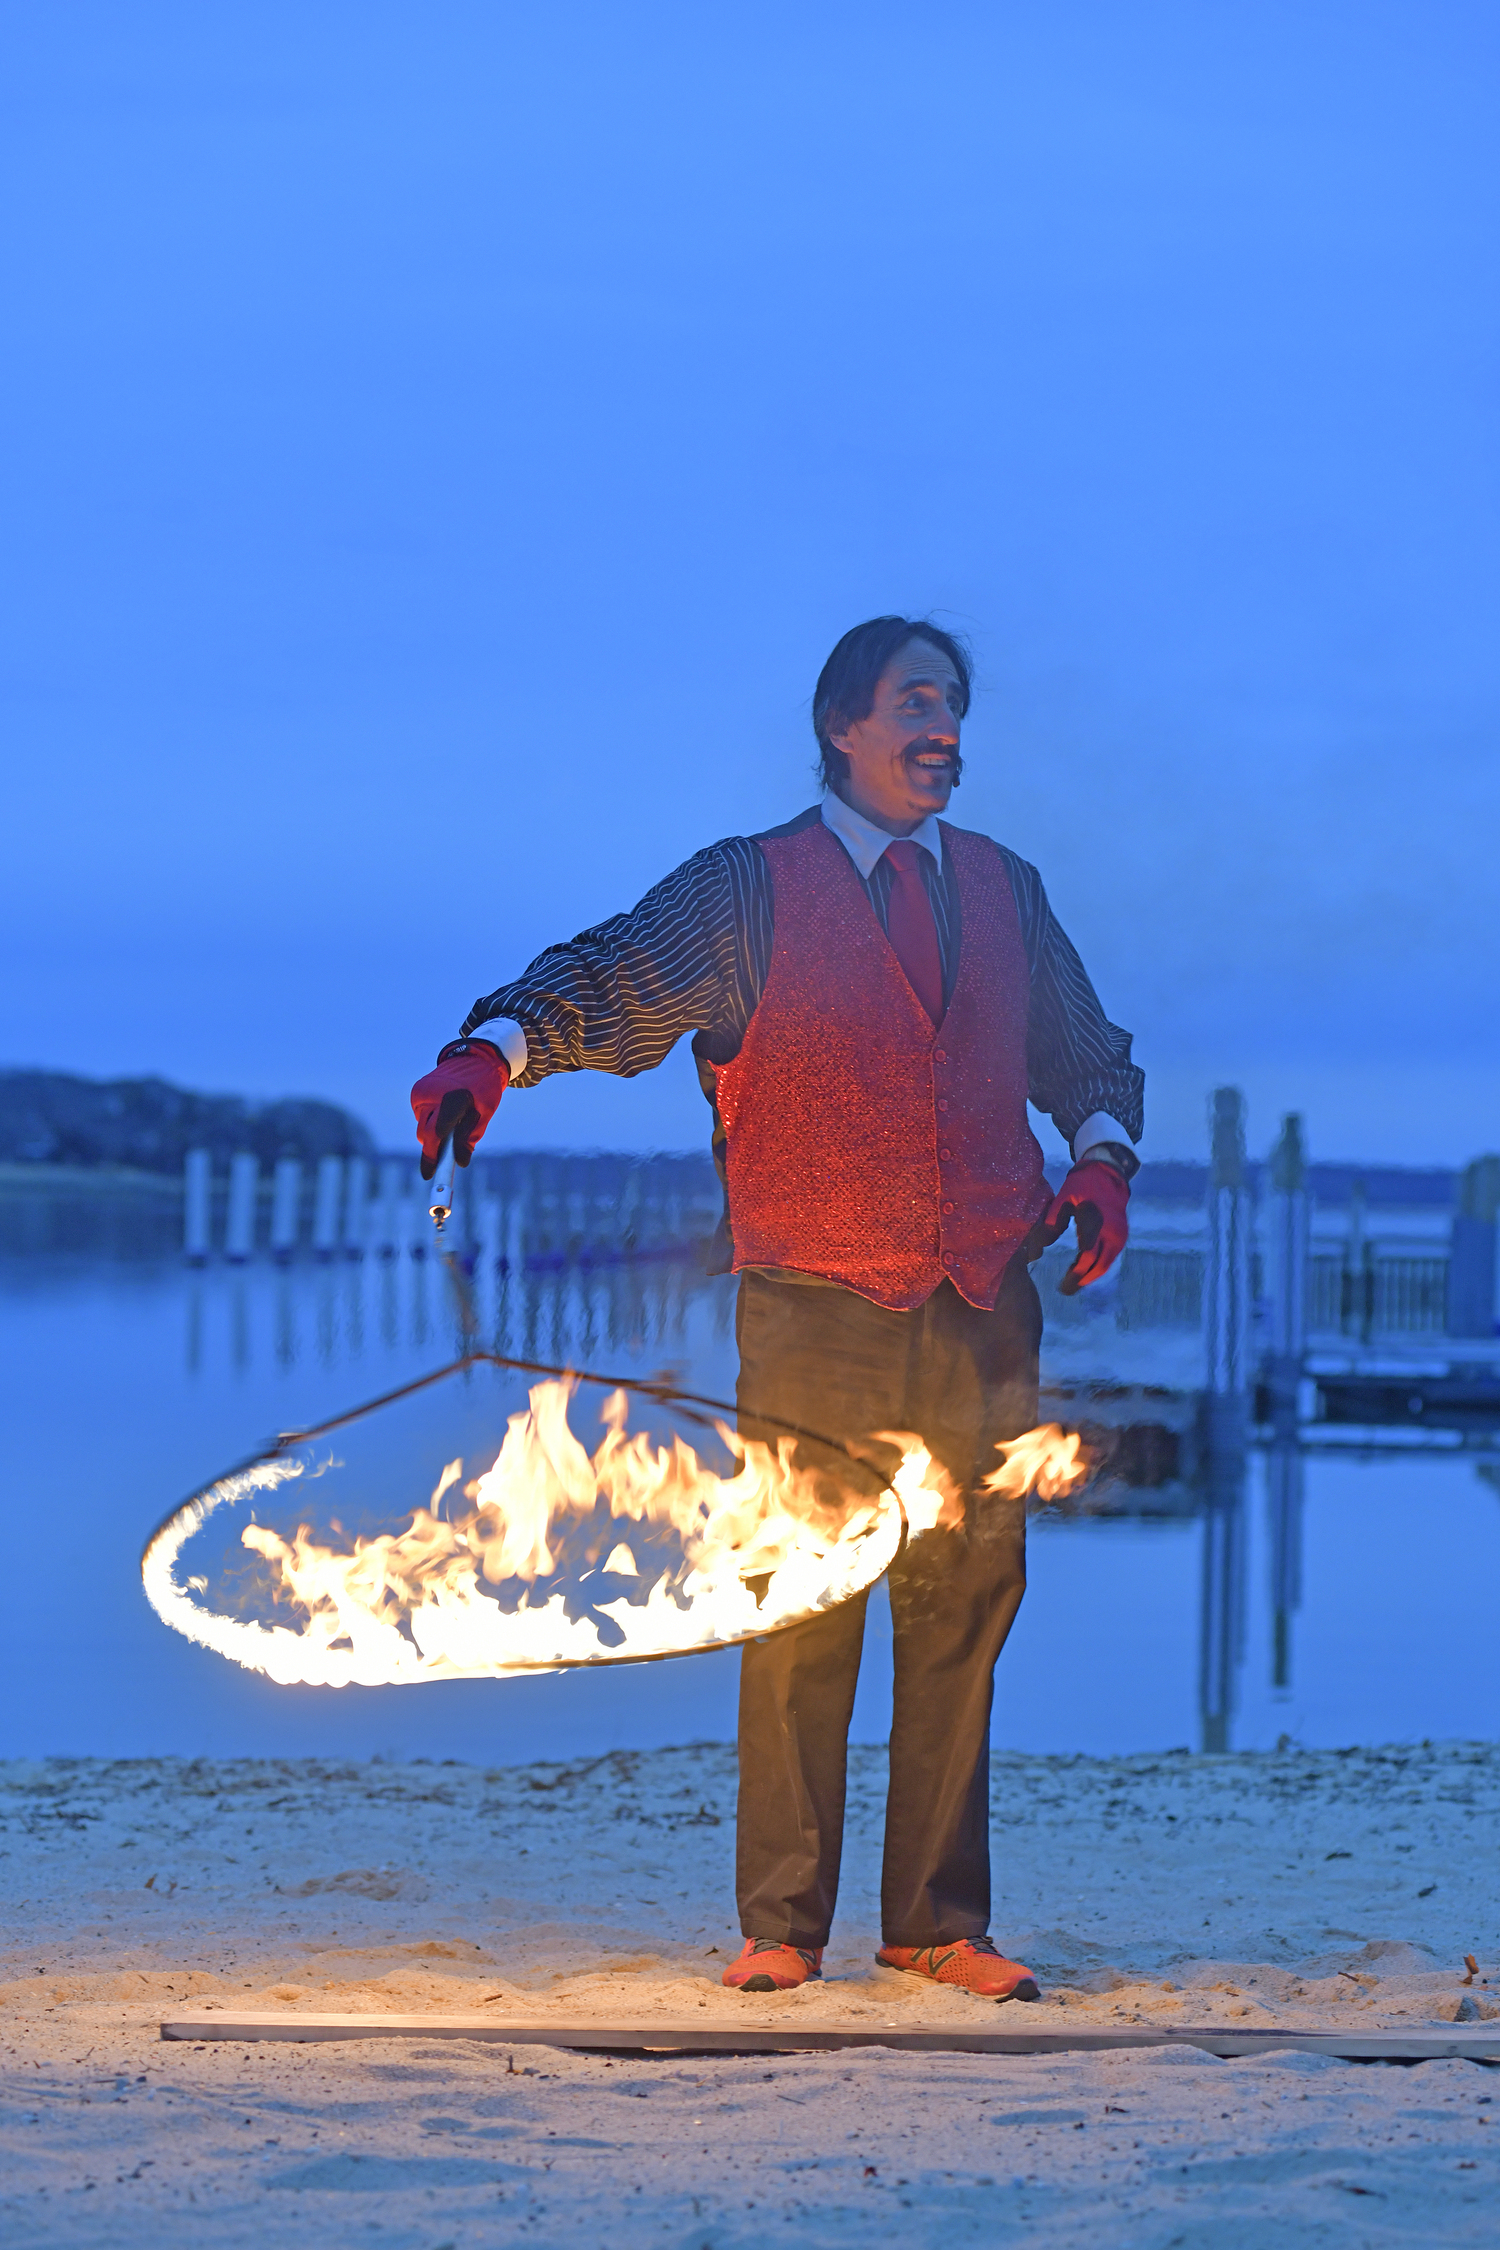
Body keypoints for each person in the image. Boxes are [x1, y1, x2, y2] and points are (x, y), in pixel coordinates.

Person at [410, 616, 1143, 2001]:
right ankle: (783, 1925)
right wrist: (492, 1052)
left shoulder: (1004, 889)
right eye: (918, 700)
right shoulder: (748, 890)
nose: (946, 727)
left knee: (964, 1602)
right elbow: (614, 977)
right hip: (812, 1301)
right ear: (841, 726)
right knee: (804, 1602)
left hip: (983, 1297)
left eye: (956, 706)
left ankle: (937, 1922)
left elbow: (1089, 1057)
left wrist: (1102, 1164)